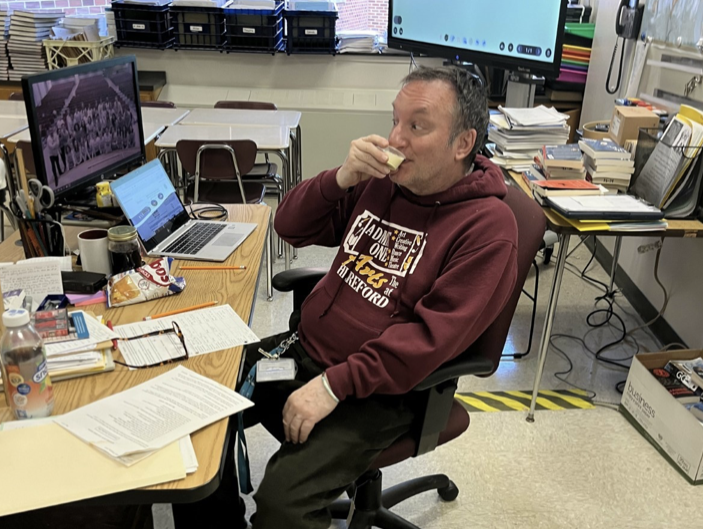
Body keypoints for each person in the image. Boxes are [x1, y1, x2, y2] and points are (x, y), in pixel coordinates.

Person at [173, 65, 519, 529]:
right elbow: (289, 227)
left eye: (417, 126)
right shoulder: (383, 183)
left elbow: (429, 340)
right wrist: (341, 177)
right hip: (307, 351)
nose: (396, 139)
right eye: (395, 120)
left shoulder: (488, 230)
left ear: (462, 143)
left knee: (283, 502)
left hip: (383, 390)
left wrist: (335, 385)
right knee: (193, 401)